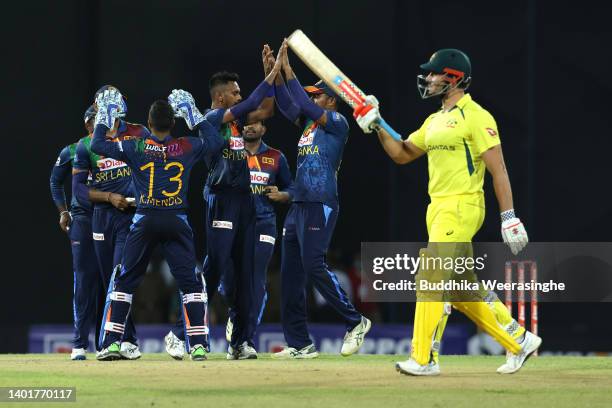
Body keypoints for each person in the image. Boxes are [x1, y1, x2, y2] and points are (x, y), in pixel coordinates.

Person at [353, 48, 540, 375]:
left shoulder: (477, 116)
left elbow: (500, 171)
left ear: (453, 78)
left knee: (431, 275)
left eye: (433, 73)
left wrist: (509, 217)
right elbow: (403, 153)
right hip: (437, 208)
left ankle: (423, 359)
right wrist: (377, 124)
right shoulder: (435, 120)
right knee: (460, 287)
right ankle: (519, 341)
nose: (427, 78)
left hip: (462, 205)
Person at [165, 47, 284, 360]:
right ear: (221, 97)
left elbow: (267, 108)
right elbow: (253, 100)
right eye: (235, 92)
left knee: (246, 276)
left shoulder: (236, 121)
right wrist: (271, 74)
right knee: (214, 270)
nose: (239, 95)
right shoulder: (213, 118)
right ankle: (178, 334)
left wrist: (268, 73)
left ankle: (240, 343)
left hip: (245, 203)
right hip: (221, 201)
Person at [94, 90, 223, 361]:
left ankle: (112, 344)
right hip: (176, 219)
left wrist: (105, 116)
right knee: (190, 282)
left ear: (149, 124)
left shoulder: (136, 146)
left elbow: (98, 145)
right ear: (173, 122)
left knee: (125, 278)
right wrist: (194, 115)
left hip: (145, 219)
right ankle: (198, 347)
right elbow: (214, 142)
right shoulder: (187, 146)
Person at [270, 40, 371, 359]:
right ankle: (299, 343)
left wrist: (289, 71)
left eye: (317, 96)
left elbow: (301, 100)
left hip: (321, 203)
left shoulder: (338, 124)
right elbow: (287, 105)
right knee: (290, 275)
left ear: (331, 99)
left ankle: (355, 321)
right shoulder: (309, 126)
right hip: (298, 206)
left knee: (314, 265)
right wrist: (274, 74)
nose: (312, 101)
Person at [72, 85, 148, 359]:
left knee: (120, 275)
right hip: (102, 218)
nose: (113, 104)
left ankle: (111, 342)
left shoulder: (139, 133)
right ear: (97, 103)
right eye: (106, 99)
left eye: (118, 99)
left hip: (131, 217)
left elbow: (155, 165)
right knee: (109, 281)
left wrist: (144, 196)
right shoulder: (88, 144)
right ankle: (128, 340)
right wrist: (109, 197)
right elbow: (79, 190)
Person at [49, 105, 99, 360]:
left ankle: (107, 343)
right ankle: (79, 344)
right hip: (82, 219)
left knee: (109, 279)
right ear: (88, 123)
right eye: (98, 119)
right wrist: (63, 211)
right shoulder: (72, 150)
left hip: (108, 217)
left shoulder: (115, 148)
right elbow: (55, 181)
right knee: (84, 279)